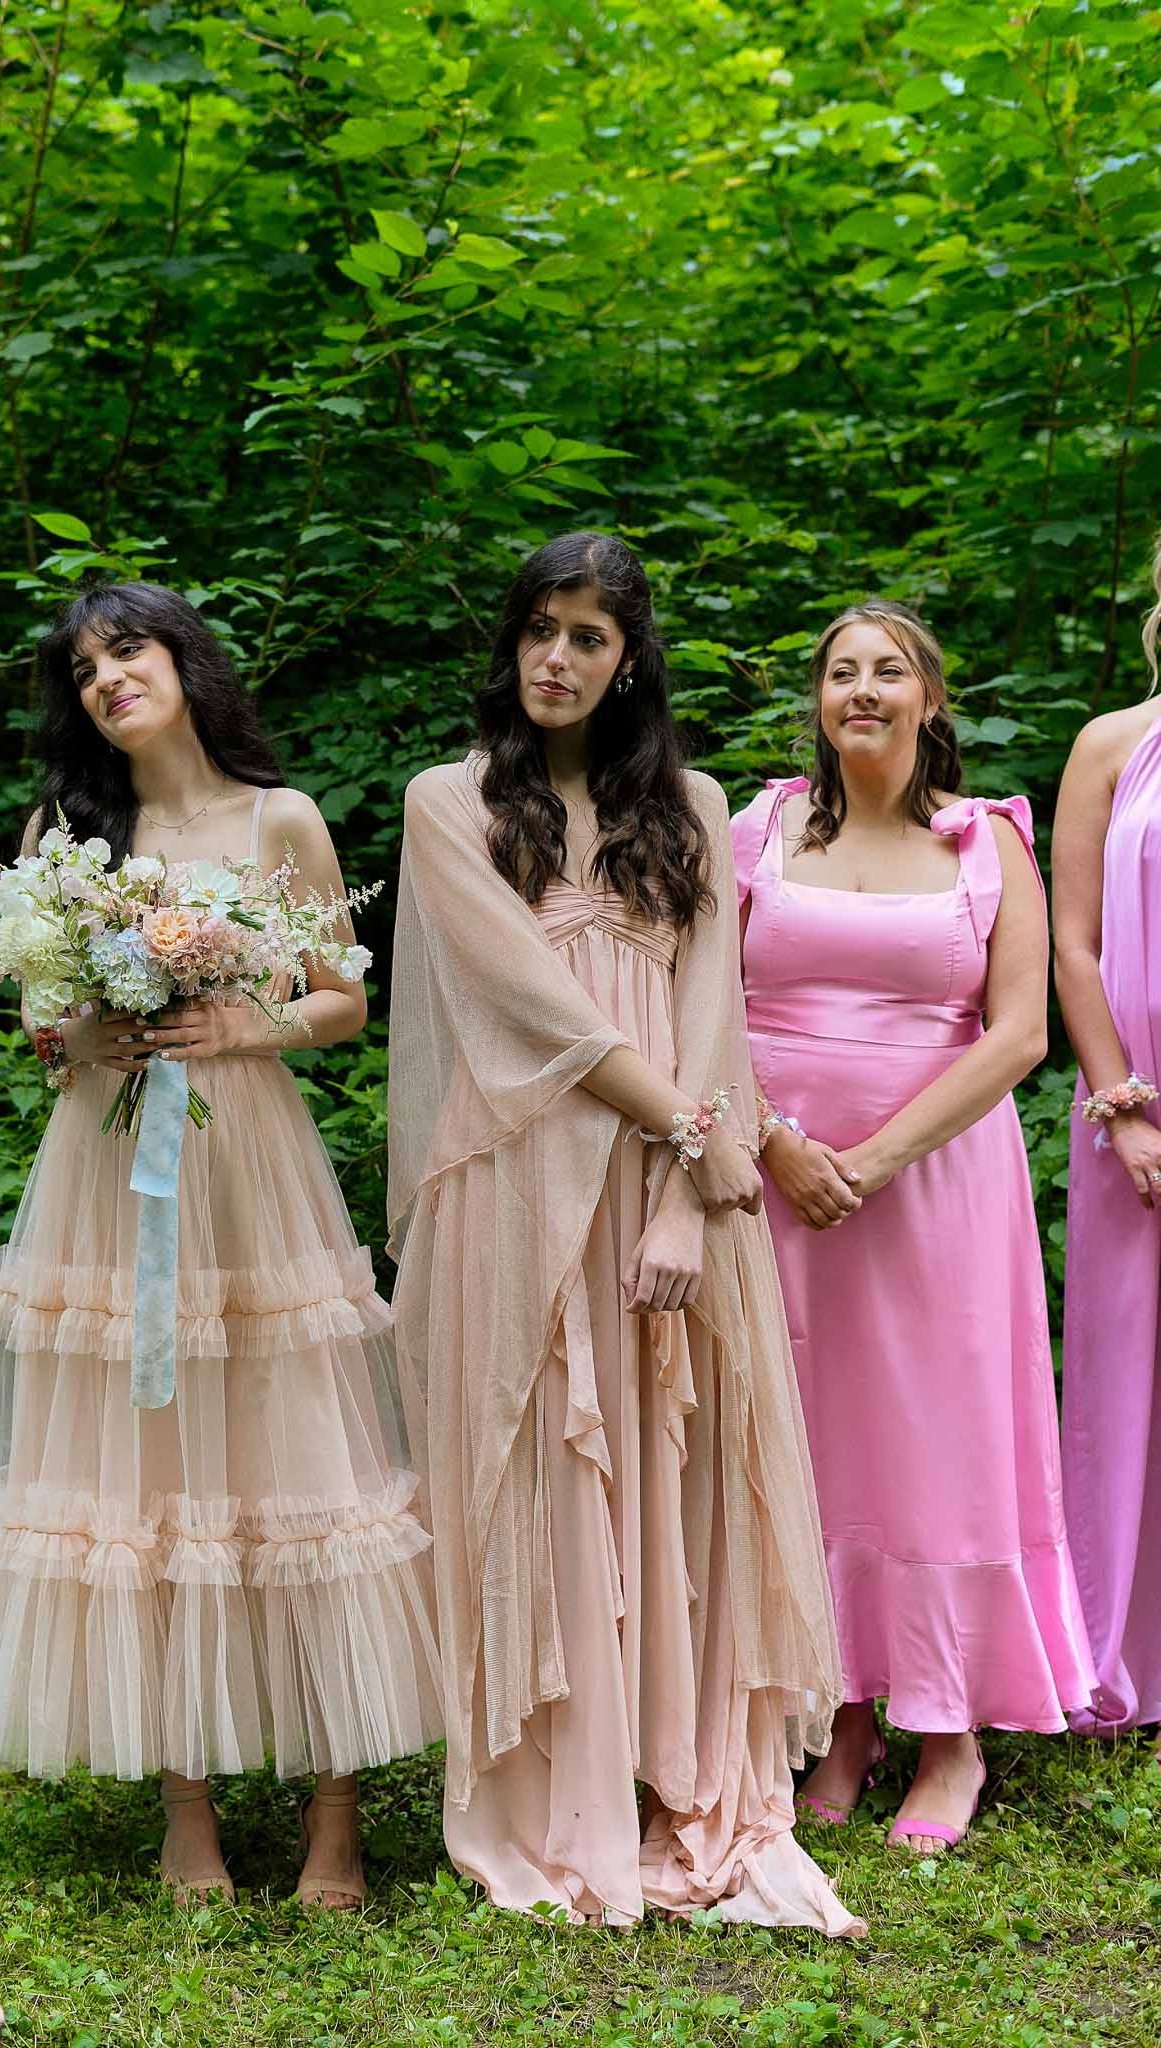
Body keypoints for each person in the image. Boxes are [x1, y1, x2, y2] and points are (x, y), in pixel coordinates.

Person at [0, 581, 441, 1910]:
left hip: (245, 1167)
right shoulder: (66, 832)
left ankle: (335, 1814)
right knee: (144, 1477)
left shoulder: (280, 819)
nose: (108, 680)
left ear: (182, 662)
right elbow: (44, 1032)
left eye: (128, 651)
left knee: (297, 1455)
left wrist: (244, 1024)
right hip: (109, 1172)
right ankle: (186, 1808)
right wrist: (78, 1032)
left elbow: (340, 999)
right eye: (85, 669)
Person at [388, 531, 861, 1933]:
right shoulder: (445, 801)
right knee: (538, 1459)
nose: (556, 658)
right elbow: (530, 1011)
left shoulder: (698, 807)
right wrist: (693, 1138)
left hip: (668, 1191)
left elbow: (710, 1009)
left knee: (674, 1462)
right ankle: (552, 1792)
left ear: (628, 658)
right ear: (508, 640)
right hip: (518, 1175)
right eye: (538, 628)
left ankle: (677, 1777)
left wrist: (681, 1189)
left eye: (588, 636)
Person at [731, 599, 1096, 1856]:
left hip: (930, 1181)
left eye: (888, 670)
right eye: (840, 672)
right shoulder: (758, 826)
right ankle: (839, 1711)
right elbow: (698, 1001)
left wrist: (875, 1157)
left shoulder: (985, 840)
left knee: (935, 1435)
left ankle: (950, 1730)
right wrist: (775, 1139)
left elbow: (1019, 1033)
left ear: (929, 700)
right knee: (810, 1429)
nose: (863, 690)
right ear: (818, 704)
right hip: (776, 1175)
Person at [1053, 538, 1161, 1745]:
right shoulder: (1108, 744)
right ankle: (1113, 1662)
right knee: (1122, 1389)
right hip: (1129, 1116)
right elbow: (1070, 940)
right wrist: (1119, 1102)